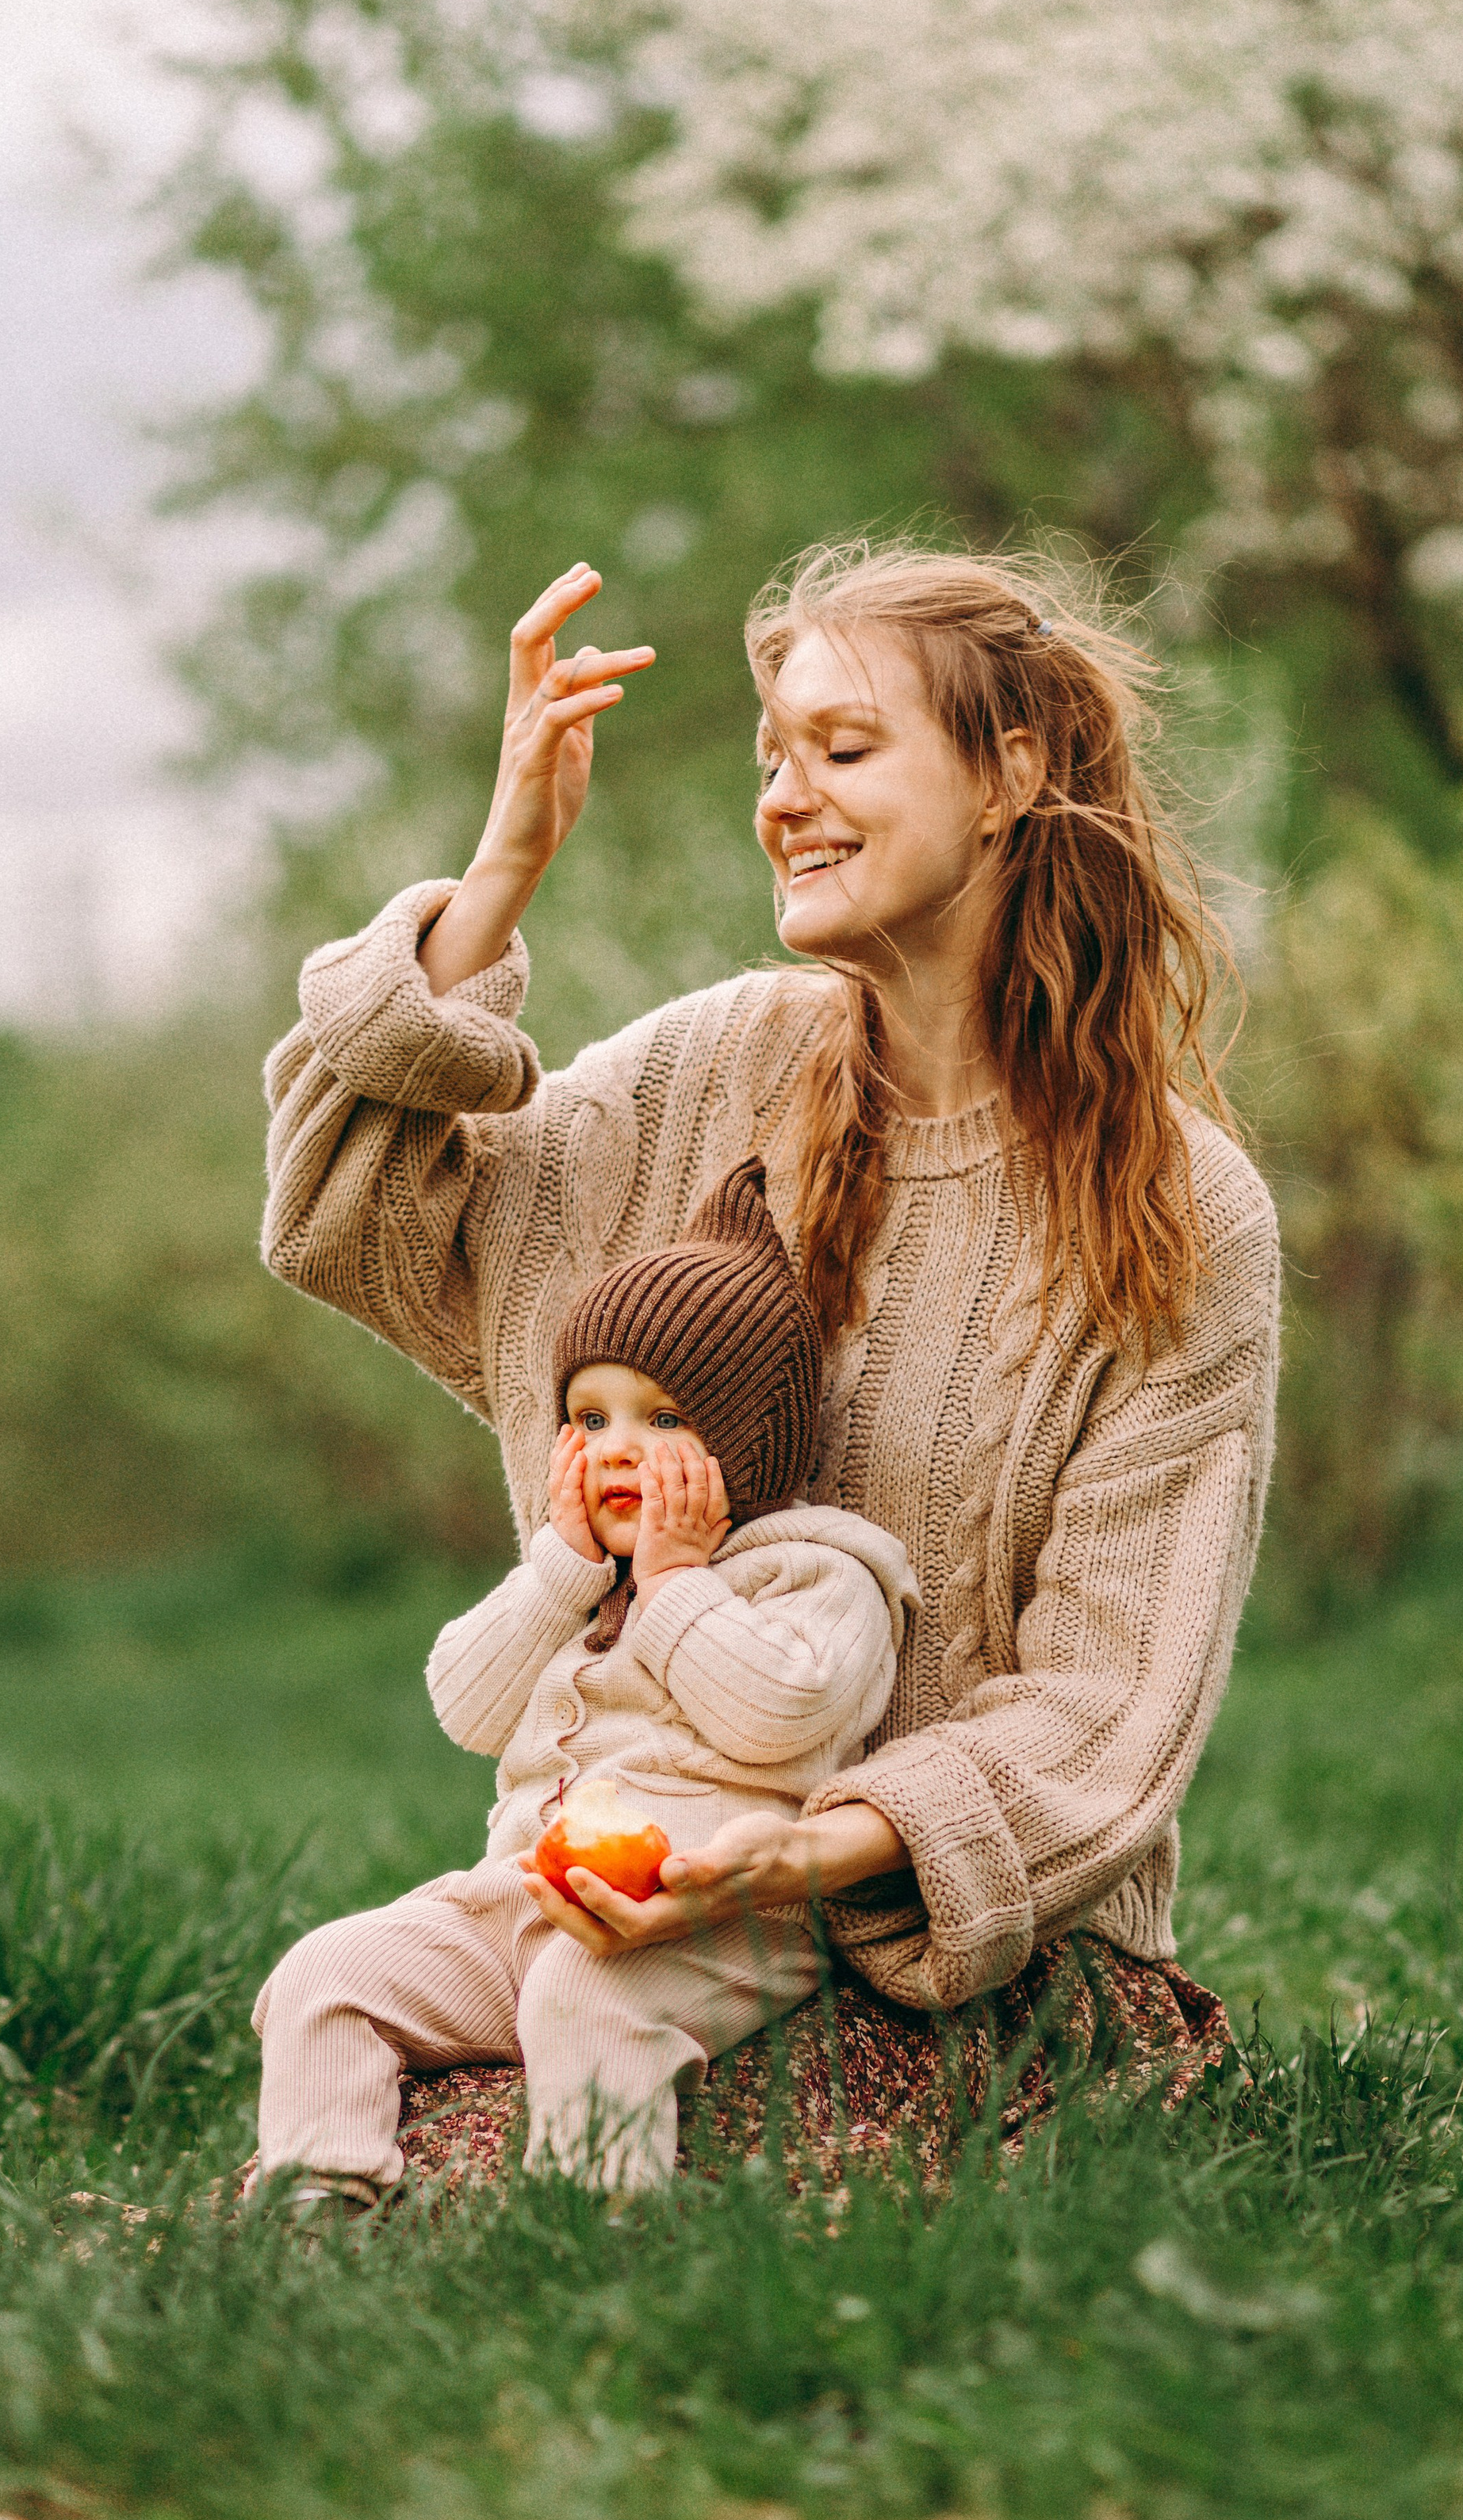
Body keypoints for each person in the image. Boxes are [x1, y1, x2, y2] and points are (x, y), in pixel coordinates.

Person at [257, 538, 1279, 2176]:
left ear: (1010, 773)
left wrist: (799, 1858)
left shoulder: (1176, 1215)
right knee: (372, 2092)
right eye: (772, 756)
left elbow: (1097, 1710)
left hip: (951, 1953)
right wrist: (501, 871)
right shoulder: (709, 1070)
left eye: (844, 748)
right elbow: (358, 1216)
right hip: (629, 1912)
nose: (785, 797)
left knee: (599, 2151)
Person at [250, 1159, 917, 2202]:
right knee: (326, 1970)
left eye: (661, 1422)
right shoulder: (578, 1586)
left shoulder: (819, 1570)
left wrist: (677, 1581)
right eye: (589, 1416)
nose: (617, 1449)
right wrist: (560, 1569)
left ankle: (594, 2222)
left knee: (580, 1994)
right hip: (524, 1900)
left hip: (717, 1923)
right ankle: (324, 2190)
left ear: (748, 1438)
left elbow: (780, 1716)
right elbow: (465, 1705)